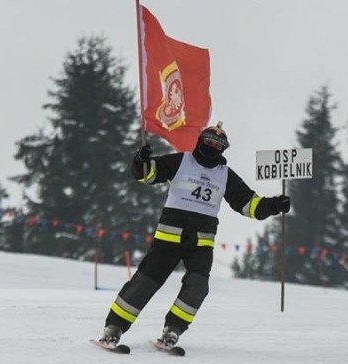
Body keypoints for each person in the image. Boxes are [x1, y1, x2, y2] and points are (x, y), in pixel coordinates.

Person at [98, 122, 291, 348]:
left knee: (198, 288)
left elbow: (250, 205)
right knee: (145, 282)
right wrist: (140, 160)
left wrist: (275, 204)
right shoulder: (181, 161)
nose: (212, 147)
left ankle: (173, 330)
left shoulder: (225, 175)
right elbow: (147, 174)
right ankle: (114, 328)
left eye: (218, 145)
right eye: (209, 142)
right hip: (168, 239)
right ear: (200, 141)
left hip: (201, 243)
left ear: (223, 150)